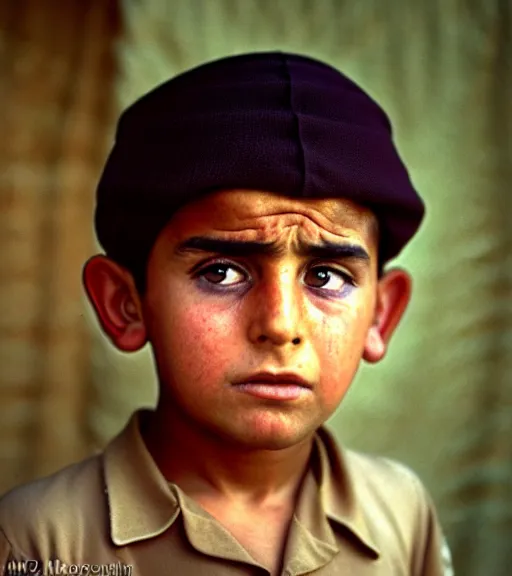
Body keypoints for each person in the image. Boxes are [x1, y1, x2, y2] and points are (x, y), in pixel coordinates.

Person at [0, 52, 454, 576]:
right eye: (221, 272)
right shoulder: (38, 541)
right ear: (126, 304)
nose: (281, 325)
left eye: (326, 276)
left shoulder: (401, 512)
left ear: (380, 315)